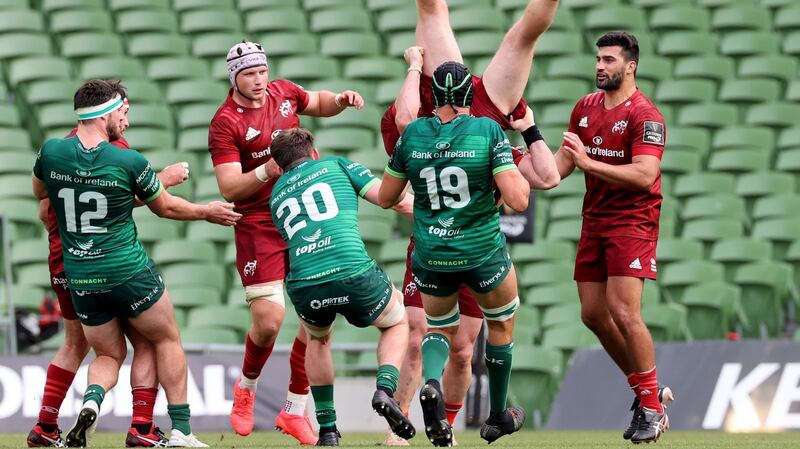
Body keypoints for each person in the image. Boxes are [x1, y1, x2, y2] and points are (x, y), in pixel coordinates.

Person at [380, 6, 561, 440]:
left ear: (431, 92)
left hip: (434, 251)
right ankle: (496, 414)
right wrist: (528, 134)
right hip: (479, 251)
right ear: (467, 90)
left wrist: (414, 66)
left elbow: (387, 195)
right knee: (500, 327)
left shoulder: (411, 134)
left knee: (444, 337)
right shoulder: (488, 130)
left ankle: (437, 403)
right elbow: (528, 193)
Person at [32, 79, 241, 448]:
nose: (126, 121)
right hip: (125, 269)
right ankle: (174, 430)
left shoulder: (51, 152)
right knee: (162, 338)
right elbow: (166, 207)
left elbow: (41, 198)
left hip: (77, 273)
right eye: (124, 112)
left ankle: (89, 403)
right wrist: (204, 210)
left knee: (105, 352)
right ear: (106, 113)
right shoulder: (126, 157)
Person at [208, 41, 364, 444]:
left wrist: (341, 101)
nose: (259, 80)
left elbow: (318, 101)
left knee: (319, 320)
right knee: (269, 321)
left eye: (262, 71)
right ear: (234, 78)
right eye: (249, 74)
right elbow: (229, 187)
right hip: (259, 222)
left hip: (304, 215)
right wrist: (268, 169)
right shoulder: (225, 122)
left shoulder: (283, 92)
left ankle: (295, 408)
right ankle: (246, 388)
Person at [553, 32, 673, 444]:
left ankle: (652, 411)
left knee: (625, 313)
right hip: (595, 220)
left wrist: (589, 161)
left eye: (608, 60)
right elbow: (560, 169)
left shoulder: (646, 115)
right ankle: (649, 393)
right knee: (592, 315)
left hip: (633, 221)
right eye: (598, 59)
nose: (599, 66)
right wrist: (522, 148)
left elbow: (644, 175)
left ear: (630, 66)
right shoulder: (585, 108)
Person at [268, 128, 415, 446]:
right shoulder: (337, 166)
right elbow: (390, 199)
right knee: (396, 321)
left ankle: (329, 430)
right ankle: (385, 390)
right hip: (351, 269)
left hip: (305, 282)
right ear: (314, 152)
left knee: (317, 341)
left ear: (280, 167)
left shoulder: (276, 193)